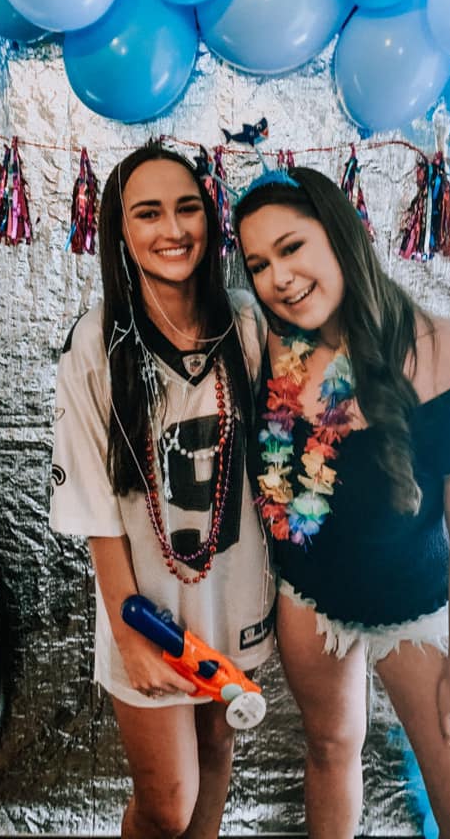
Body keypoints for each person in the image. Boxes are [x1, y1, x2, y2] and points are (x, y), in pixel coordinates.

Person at [234, 166, 450, 839]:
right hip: (310, 596)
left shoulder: (449, 354)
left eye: (291, 247)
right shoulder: (273, 345)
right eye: (258, 264)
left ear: (342, 238)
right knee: (330, 748)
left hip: (417, 608)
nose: (278, 277)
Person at [49, 142, 275, 839]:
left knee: (215, 758)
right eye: (148, 213)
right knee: (168, 803)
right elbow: (93, 505)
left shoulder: (247, 324)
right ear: (119, 230)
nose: (173, 230)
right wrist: (130, 636)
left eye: (187, 209)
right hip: (148, 611)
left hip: (234, 595)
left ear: (210, 219)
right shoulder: (97, 344)